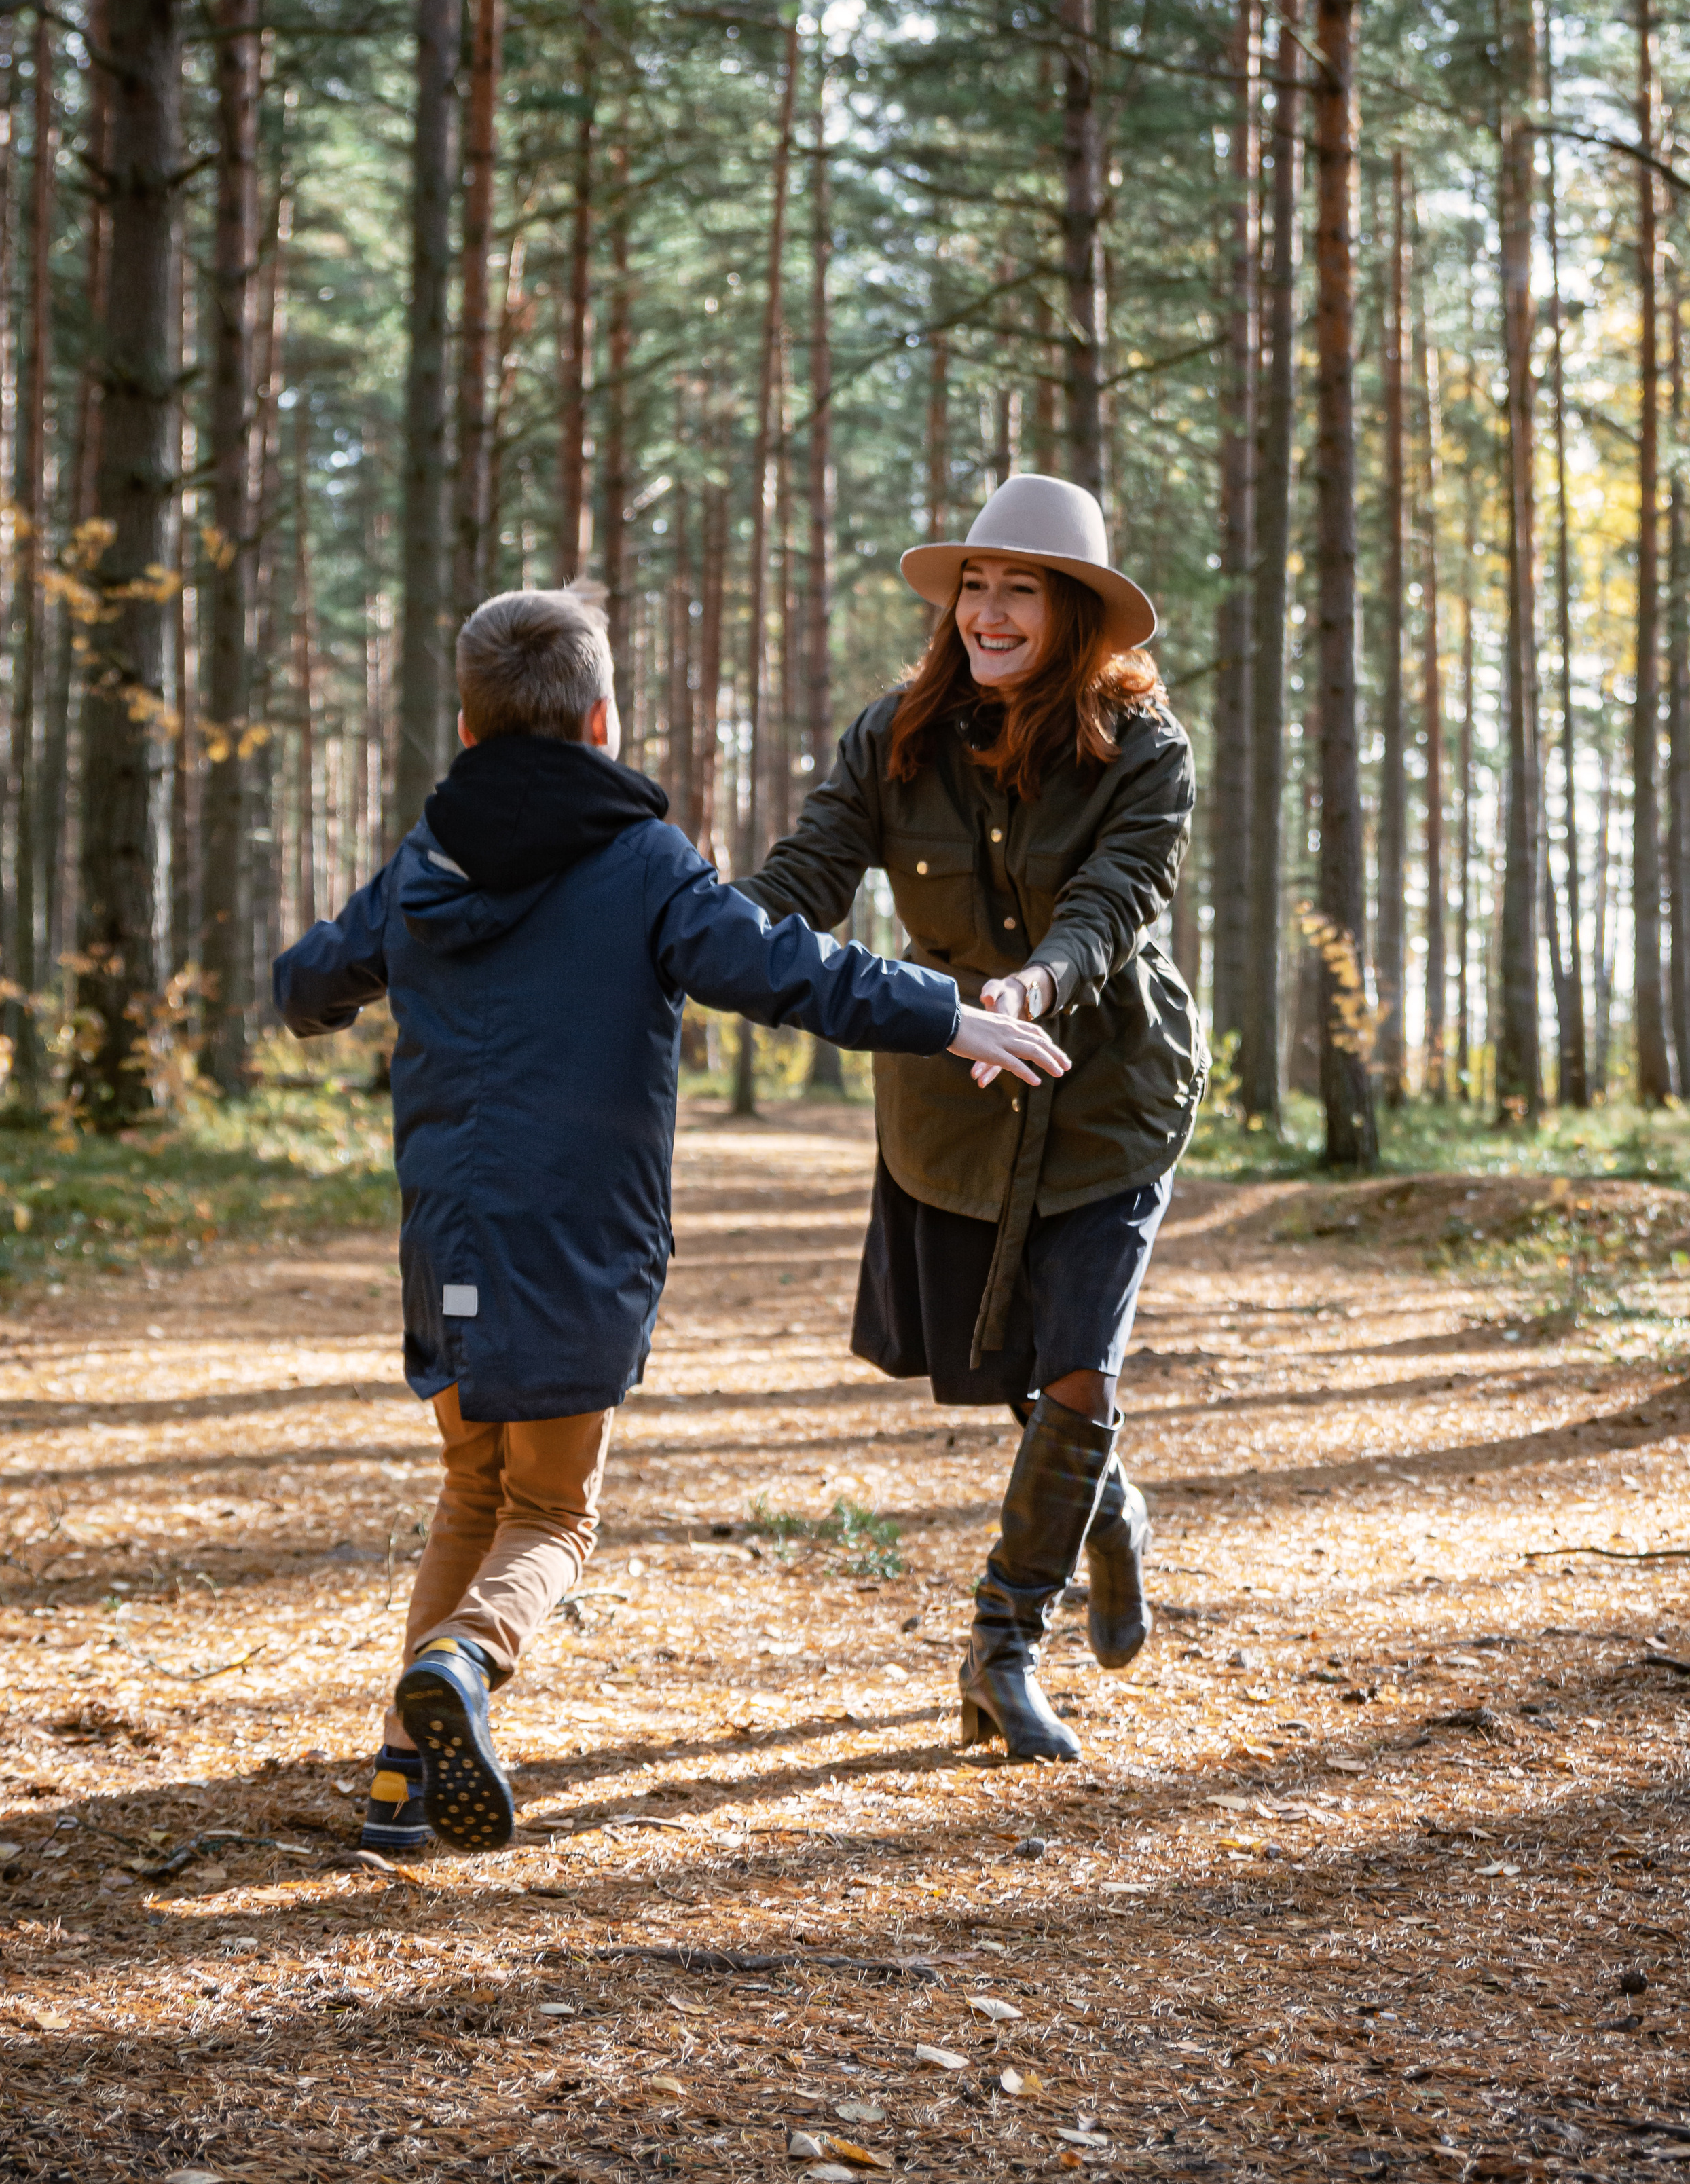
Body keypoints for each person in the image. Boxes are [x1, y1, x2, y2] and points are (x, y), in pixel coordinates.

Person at [272, 585, 1067, 1855]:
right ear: (601, 719)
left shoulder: (428, 859)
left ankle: (396, 1784)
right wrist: (952, 1012)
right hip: (578, 1248)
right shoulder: (641, 862)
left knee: (472, 1488)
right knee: (549, 1513)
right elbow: (788, 967)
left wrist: (329, 995)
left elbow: (308, 977)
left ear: (470, 732)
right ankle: (470, 1664)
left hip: (450, 1244)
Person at [742, 474, 1203, 1763]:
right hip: (952, 1110)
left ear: (1076, 616)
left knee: (1080, 1362)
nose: (991, 613)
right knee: (1021, 1375)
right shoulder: (892, 735)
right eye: (975, 589)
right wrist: (691, 925)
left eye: (1023, 591)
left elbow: (1115, 902)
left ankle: (1003, 1644)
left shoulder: (1148, 749)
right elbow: (804, 882)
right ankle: (1106, 1512)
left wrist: (1040, 981)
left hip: (1108, 1097)